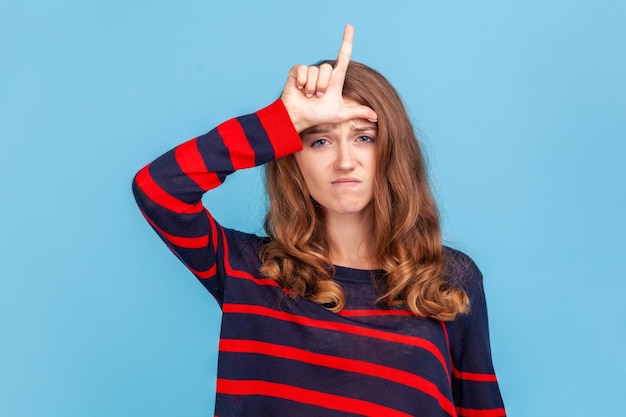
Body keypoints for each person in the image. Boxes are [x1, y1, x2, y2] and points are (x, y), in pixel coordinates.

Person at [133, 24, 506, 417]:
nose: (345, 160)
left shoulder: (449, 279)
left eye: (364, 137)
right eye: (320, 141)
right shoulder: (248, 269)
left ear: (393, 150)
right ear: (294, 159)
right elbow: (159, 189)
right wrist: (284, 118)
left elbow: (481, 410)